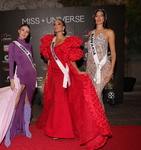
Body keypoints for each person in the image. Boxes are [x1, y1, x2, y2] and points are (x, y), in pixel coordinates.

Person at [35, 19, 112, 150]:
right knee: (57, 100)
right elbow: (50, 59)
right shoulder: (51, 41)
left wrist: (78, 72)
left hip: (63, 74)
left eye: (58, 24)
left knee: (60, 100)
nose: (56, 26)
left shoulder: (68, 41)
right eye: (54, 24)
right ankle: (63, 127)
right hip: (53, 75)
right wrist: (48, 74)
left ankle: (59, 131)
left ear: (63, 27)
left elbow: (70, 60)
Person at [5, 23, 37, 147]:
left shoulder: (29, 46)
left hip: (31, 75)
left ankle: (26, 128)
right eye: (23, 30)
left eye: (27, 31)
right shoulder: (13, 45)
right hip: (20, 76)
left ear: (28, 34)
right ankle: (8, 132)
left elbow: (32, 62)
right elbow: (11, 63)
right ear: (19, 30)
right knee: (15, 103)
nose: (24, 33)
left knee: (28, 101)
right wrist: (12, 79)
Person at [86, 9, 116, 109]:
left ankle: (99, 122)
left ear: (104, 18)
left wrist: (111, 71)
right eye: (96, 16)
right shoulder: (90, 33)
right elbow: (90, 53)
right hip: (90, 67)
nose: (98, 18)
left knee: (96, 92)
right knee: (93, 95)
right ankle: (97, 120)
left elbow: (113, 53)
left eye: (101, 15)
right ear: (94, 18)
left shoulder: (109, 32)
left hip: (104, 66)